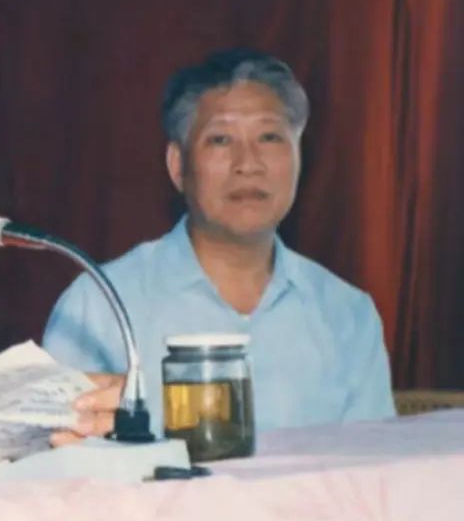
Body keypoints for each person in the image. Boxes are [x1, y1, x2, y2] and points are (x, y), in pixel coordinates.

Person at [43, 48, 395, 438]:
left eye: (269, 137)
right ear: (178, 166)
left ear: (299, 158)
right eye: (221, 140)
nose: (248, 163)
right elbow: (50, 457)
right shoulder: (100, 305)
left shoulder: (347, 315)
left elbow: (375, 465)